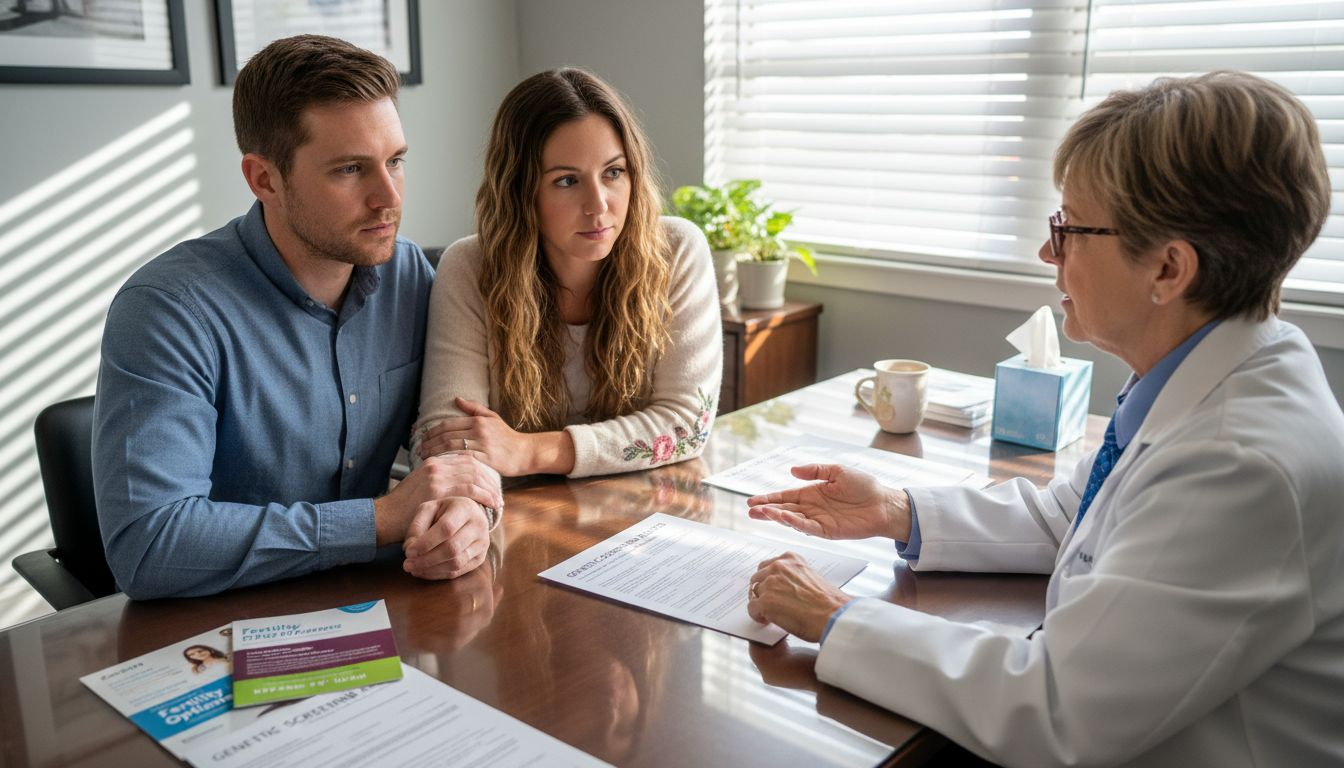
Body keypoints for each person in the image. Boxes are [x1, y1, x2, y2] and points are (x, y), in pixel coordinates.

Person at [745, 71, 1344, 767]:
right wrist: (897, 509)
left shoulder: (1238, 462)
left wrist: (836, 618)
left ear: (1169, 270)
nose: (1047, 254)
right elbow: (1075, 521)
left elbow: (1054, 710)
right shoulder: (1214, 376)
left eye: (1069, 229)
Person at [93, 35, 503, 601]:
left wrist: (469, 511)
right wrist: (379, 520)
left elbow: (449, 439)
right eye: (350, 169)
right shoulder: (168, 310)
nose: (389, 198)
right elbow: (149, 546)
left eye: (396, 161)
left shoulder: (408, 274)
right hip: (220, 626)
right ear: (264, 179)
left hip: (373, 605)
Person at [412, 68, 722, 479]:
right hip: (519, 515)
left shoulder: (677, 251)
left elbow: (687, 425)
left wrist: (530, 451)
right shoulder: (470, 267)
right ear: (521, 191)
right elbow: (447, 441)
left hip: (643, 509)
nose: (598, 205)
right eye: (566, 181)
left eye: (614, 172)